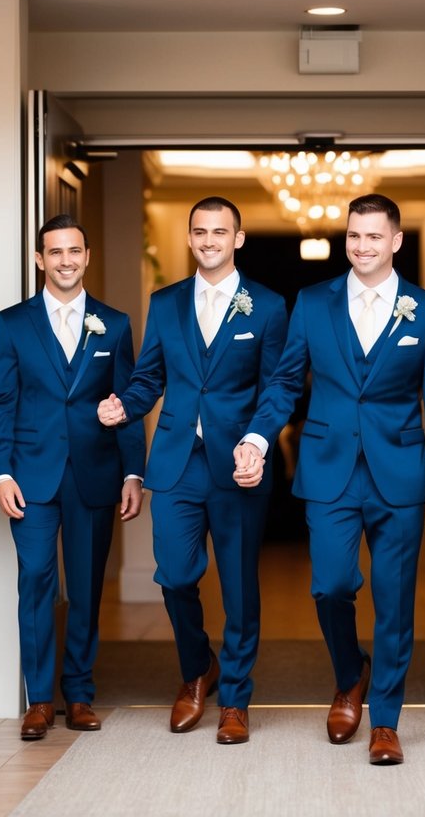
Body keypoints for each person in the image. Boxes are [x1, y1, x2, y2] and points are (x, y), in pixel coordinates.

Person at [234, 194, 425, 765]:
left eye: (374, 237)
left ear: (396, 241)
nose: (362, 246)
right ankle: (348, 675)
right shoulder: (312, 303)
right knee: (330, 586)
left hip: (402, 474)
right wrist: (259, 438)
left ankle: (385, 720)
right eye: (354, 236)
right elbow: (285, 382)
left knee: (395, 600)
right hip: (328, 469)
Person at [98, 197, 288, 744]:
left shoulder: (269, 306)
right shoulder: (166, 302)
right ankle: (197, 667)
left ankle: (235, 698)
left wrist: (257, 443)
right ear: (189, 238)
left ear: (239, 239)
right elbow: (148, 377)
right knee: (176, 576)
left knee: (238, 588)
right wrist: (125, 406)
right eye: (200, 231)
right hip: (177, 463)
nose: (209, 240)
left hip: (238, 465)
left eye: (220, 231)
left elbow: (277, 385)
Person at [0, 214, 146, 740]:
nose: (65, 261)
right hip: (30, 476)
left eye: (74, 251)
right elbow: (0, 403)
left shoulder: (115, 323)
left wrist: (133, 472)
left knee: (84, 587)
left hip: (95, 475)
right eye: (55, 252)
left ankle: (78, 693)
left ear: (87, 255)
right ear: (40, 260)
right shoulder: (11, 323)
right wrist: (0, 472)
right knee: (35, 580)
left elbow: (127, 402)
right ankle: (39, 699)